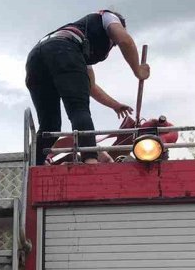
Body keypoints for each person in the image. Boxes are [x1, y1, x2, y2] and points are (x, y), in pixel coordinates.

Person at [26, 9, 150, 165]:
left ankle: (34, 163)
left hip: (36, 59)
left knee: (50, 125)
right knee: (79, 109)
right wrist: (138, 70)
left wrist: (115, 105)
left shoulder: (80, 45)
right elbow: (125, 41)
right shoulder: (107, 17)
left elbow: (89, 86)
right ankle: (90, 160)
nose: (113, 46)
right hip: (62, 50)